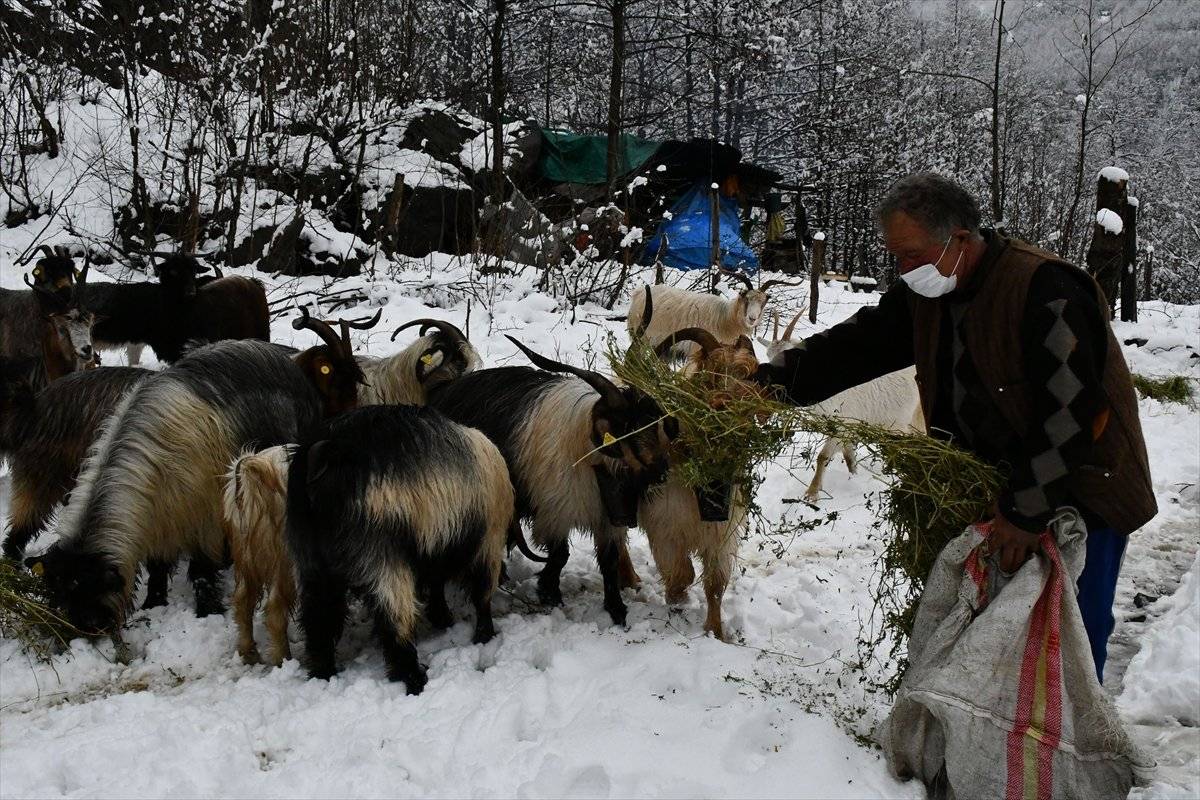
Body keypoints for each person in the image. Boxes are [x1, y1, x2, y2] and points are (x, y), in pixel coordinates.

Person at [754, 172, 1156, 682]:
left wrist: (1027, 510)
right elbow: (859, 346)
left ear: (960, 240)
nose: (903, 269)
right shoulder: (927, 292)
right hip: (1003, 487)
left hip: (1085, 492)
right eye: (895, 257)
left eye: (911, 256)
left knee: (1069, 634)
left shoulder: (1047, 290)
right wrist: (770, 384)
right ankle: (988, 742)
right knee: (998, 631)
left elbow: (1072, 410)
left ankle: (1064, 752)